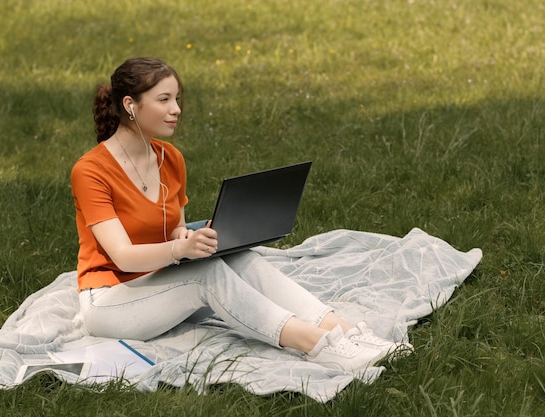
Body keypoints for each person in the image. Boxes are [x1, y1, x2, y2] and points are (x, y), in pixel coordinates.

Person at [71, 57, 402, 374]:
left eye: (177, 98)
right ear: (130, 105)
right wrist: (179, 250)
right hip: (109, 300)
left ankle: (343, 331)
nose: (177, 110)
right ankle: (317, 345)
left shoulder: (169, 158)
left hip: (162, 282)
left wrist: (185, 237)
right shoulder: (91, 171)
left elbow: (174, 228)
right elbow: (124, 257)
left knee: (241, 259)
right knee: (208, 274)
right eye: (164, 99)